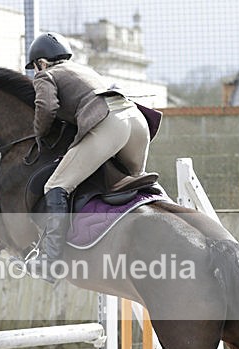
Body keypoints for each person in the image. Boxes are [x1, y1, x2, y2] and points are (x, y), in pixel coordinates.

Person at [25, 31, 152, 276]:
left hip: (109, 123)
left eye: (35, 67)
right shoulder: (83, 70)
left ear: (41, 62)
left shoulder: (45, 75)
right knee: (134, 185)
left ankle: (51, 262)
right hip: (137, 121)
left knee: (56, 186)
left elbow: (47, 107)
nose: (36, 71)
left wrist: (39, 134)